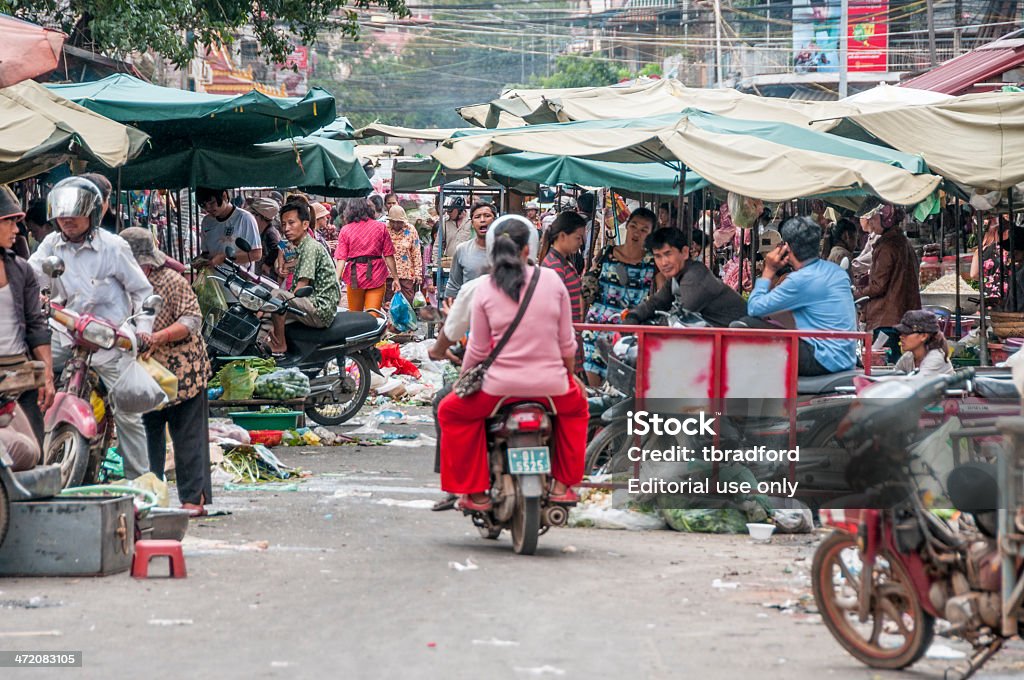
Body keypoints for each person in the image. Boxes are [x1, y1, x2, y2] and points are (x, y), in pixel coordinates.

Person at [437, 215, 588, 511]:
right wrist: (571, 376)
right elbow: (567, 342)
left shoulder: (485, 288)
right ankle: (561, 486)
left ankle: (475, 493)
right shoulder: (552, 280)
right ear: (527, 250)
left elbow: (478, 350)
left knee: (451, 411)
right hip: (551, 386)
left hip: (498, 389)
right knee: (578, 407)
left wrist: (463, 379)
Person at [30, 177, 155, 479]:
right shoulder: (50, 244)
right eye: (61, 213)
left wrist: (143, 327)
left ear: (93, 213)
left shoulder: (114, 247)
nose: (67, 219)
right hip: (64, 334)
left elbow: (142, 292)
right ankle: (26, 466)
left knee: (128, 413)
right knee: (28, 381)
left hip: (108, 340)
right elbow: (33, 278)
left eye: (75, 212)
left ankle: (139, 485)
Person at [120, 228, 213, 516]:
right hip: (144, 376)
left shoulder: (171, 281)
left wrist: (158, 337)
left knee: (188, 437)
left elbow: (192, 319)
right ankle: (149, 497)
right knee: (147, 437)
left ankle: (192, 500)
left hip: (183, 372)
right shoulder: (119, 284)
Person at [743, 216, 857, 376]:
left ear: (787, 247)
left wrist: (768, 270)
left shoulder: (799, 280)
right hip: (845, 356)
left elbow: (754, 308)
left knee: (746, 323)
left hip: (823, 359)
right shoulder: (836, 271)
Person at [580, 208, 661, 386]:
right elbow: (586, 289)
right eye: (633, 226)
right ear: (627, 226)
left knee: (618, 388)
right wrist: (580, 323)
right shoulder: (606, 253)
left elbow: (662, 295)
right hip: (595, 328)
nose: (636, 233)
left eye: (644, 230)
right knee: (595, 389)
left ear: (650, 234)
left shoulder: (652, 262)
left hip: (626, 334)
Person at [0, 185, 54, 447]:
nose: (17, 230)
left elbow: (36, 325)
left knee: (34, 454)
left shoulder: (22, 270)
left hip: (20, 374)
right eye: (9, 222)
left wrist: (47, 375)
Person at [625, 227, 747, 327]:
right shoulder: (676, 277)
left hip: (742, 340)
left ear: (684, 252)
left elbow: (681, 317)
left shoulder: (695, 276)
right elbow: (657, 302)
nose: (664, 262)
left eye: (668, 254)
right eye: (658, 256)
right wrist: (633, 316)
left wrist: (646, 325)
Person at [270, 201, 342, 351]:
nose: (286, 229)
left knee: (277, 297)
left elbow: (301, 285)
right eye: (283, 224)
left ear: (305, 224)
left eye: (291, 223)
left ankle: (280, 346)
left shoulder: (310, 247)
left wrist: (279, 301)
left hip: (319, 307)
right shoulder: (295, 247)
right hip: (309, 302)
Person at [855, 204, 921, 357]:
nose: (871, 221)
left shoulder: (887, 246)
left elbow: (878, 286)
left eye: (874, 218)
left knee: (887, 363)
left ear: (886, 220)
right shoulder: (902, 242)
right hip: (901, 314)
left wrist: (858, 293)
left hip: (887, 318)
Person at [334, 198, 397, 314]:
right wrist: (396, 278)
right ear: (369, 209)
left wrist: (336, 279)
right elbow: (388, 255)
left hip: (355, 277)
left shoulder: (345, 230)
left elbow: (341, 258)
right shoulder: (380, 227)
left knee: (355, 316)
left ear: (349, 211)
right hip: (376, 274)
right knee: (373, 315)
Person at [196, 187, 262, 272]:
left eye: (212, 203)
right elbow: (206, 253)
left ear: (224, 196)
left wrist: (224, 258)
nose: (208, 208)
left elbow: (256, 254)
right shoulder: (207, 221)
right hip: (214, 280)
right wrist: (200, 261)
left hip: (237, 281)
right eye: (204, 205)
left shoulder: (244, 218)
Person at [444, 202, 495, 304]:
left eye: (487, 216)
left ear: (495, 220)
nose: (482, 220)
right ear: (472, 223)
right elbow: (454, 285)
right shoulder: (462, 250)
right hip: (469, 312)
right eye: (477, 217)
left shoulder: (507, 250)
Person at [893, 310, 953, 377]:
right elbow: (893, 376)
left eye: (906, 333)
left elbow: (918, 382)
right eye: (901, 333)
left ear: (924, 336)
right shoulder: (908, 357)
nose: (901, 337)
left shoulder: (935, 358)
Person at [383, 205, 423, 307]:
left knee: (407, 305)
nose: (396, 224)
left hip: (406, 274)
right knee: (390, 305)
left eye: (399, 222)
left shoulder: (411, 230)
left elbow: (416, 252)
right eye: (393, 222)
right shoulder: (384, 229)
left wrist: (418, 273)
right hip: (388, 275)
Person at [969, 214, 1011, 306]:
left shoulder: (982, 248)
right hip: (1013, 296)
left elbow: (974, 274)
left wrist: (989, 276)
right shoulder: (1012, 245)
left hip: (991, 296)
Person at [249, 197, 282, 281]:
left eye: (253, 213)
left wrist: (267, 264)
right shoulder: (261, 231)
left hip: (268, 280)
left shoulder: (271, 233)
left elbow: (279, 247)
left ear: (261, 216)